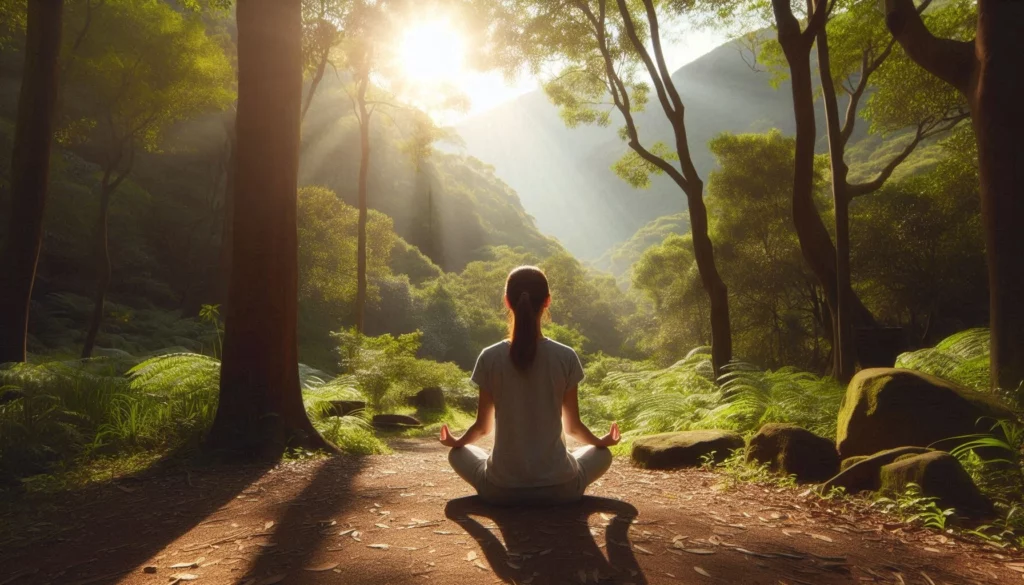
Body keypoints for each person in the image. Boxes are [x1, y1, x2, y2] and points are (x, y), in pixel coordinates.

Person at [440, 265, 620, 505]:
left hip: (501, 491)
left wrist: (457, 442)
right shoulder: (565, 356)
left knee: (459, 454)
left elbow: (482, 428)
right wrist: (601, 441)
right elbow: (573, 428)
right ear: (547, 301)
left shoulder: (489, 357)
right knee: (601, 454)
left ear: (507, 301)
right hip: (561, 490)